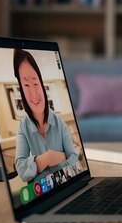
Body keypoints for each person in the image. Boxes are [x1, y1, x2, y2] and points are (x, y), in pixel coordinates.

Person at [13, 49, 78, 183]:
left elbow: (74, 159)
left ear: (42, 84)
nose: (33, 93)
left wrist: (37, 165)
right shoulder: (23, 127)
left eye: (35, 83)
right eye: (26, 85)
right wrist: (49, 157)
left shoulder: (60, 124)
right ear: (21, 90)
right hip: (40, 193)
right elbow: (21, 170)